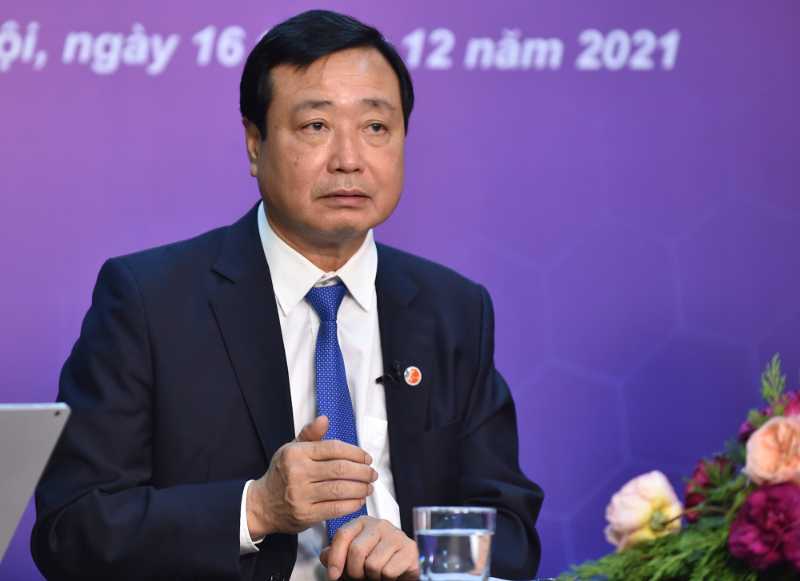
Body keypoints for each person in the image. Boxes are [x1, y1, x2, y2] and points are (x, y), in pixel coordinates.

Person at [31, 9, 543, 581]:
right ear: (255, 144)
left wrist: (424, 558)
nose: (349, 159)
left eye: (376, 127)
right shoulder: (150, 302)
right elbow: (71, 529)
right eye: (316, 126)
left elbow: (512, 532)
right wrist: (256, 508)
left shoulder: (454, 310)